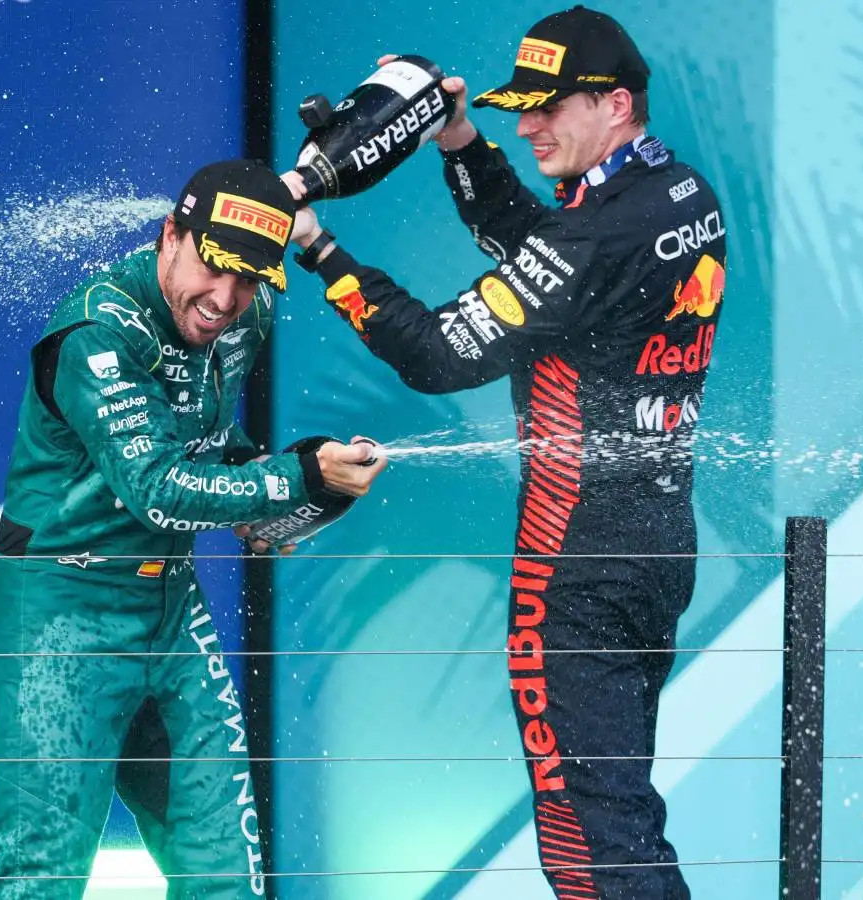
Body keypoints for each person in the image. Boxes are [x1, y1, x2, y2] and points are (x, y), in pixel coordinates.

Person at [281, 7, 725, 899]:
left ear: (615, 104)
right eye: (517, 108)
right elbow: (543, 256)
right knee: (622, 818)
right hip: (653, 550)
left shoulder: (598, 233)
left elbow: (441, 355)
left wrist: (321, 251)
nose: (526, 127)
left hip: (574, 570)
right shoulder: (675, 193)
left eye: (546, 108)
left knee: (589, 838)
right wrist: (457, 141)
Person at [0, 159, 387, 900]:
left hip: (170, 611)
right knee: (37, 878)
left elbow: (201, 446)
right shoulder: (98, 331)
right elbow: (158, 492)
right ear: (172, 233)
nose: (225, 299)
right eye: (215, 267)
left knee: (225, 874)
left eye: (250, 279)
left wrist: (274, 499)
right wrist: (296, 479)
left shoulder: (245, 318)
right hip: (61, 617)